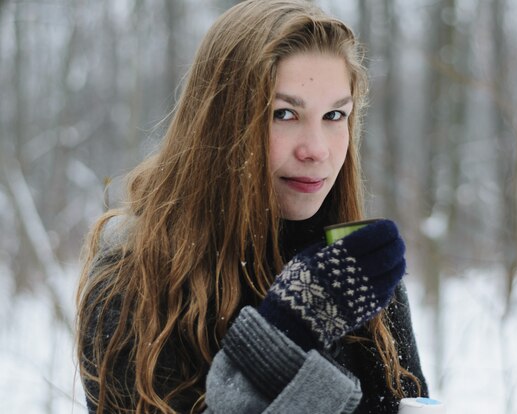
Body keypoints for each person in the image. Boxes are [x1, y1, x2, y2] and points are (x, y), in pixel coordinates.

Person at [75, 0, 429, 413]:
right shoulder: (138, 278)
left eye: (334, 115)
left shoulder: (350, 267)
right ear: (222, 122)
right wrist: (283, 339)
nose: (316, 149)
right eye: (283, 114)